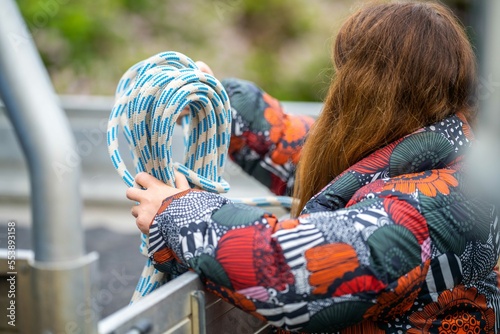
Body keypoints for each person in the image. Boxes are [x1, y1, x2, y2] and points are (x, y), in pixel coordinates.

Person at [126, 1, 500, 332]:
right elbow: (310, 153)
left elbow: (290, 271)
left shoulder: (432, 208)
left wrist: (176, 212)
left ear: (367, 88)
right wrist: (221, 104)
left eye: (344, 73)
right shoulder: (441, 154)